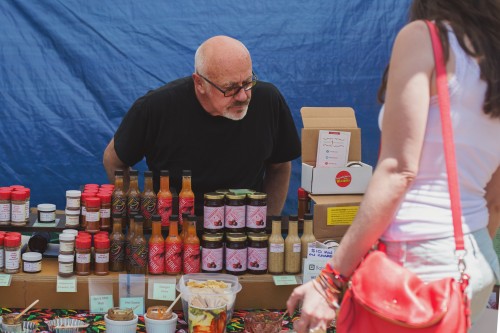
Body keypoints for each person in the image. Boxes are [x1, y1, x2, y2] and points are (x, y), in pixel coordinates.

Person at [287, 0, 500, 331]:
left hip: (416, 268)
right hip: (474, 261)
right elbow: (495, 198)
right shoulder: (492, 56)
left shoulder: (426, 38)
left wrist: (329, 280)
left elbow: (398, 170)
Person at [103, 35, 300, 215]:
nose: (243, 96)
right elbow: (114, 160)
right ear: (199, 83)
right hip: (174, 234)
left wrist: (266, 223)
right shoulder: (155, 108)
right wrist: (139, 216)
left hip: (243, 233)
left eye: (248, 82)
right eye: (230, 88)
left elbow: (280, 165)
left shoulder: (268, 101)